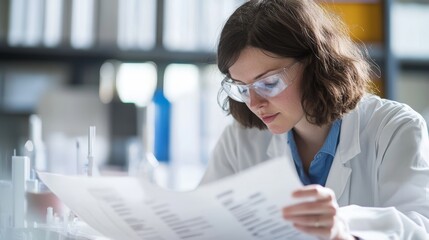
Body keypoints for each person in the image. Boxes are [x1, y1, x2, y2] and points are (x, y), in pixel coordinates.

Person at [199, 0, 429, 239]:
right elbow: (201, 223)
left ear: (315, 64)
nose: (254, 103)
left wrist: (343, 230)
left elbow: (419, 229)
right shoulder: (240, 140)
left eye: (268, 83)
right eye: (242, 88)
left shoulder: (395, 129)